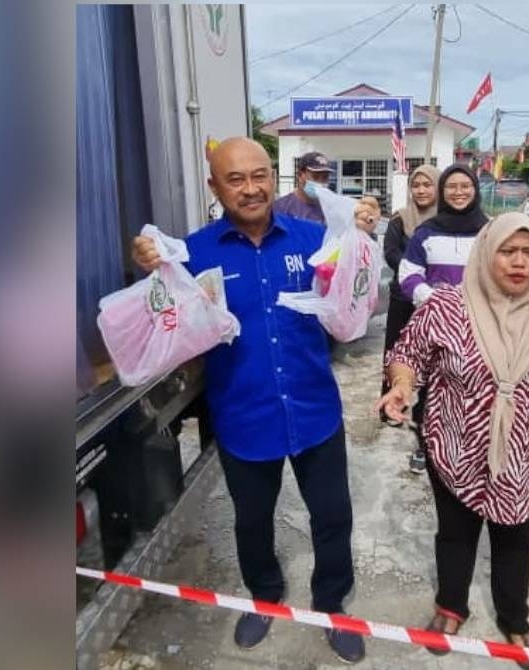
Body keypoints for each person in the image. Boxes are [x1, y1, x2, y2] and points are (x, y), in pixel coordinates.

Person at [130, 138, 376, 663]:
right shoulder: (192, 253)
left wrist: (362, 238)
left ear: (275, 178)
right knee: (252, 520)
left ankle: (332, 605)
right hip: (244, 414)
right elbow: (162, 313)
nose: (250, 187)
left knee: (332, 515)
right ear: (214, 186)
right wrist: (148, 265)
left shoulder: (316, 239)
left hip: (314, 409)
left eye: (259, 175)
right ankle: (265, 598)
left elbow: (355, 298)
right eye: (235, 179)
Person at [378, 212, 529, 669]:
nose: (519, 262)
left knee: (515, 538)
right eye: (507, 251)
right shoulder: (446, 306)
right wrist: (402, 386)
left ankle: (513, 617)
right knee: (456, 534)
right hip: (454, 445)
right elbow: (408, 352)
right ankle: (451, 605)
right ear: (487, 253)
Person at [396, 164, 489, 473]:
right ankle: (426, 446)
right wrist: (437, 302)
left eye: (465, 186)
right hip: (436, 328)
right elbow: (408, 274)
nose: (459, 192)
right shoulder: (426, 232)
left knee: (477, 387)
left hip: (482, 326)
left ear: (475, 190)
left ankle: (475, 449)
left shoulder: (490, 232)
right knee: (434, 387)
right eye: (452, 187)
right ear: (442, 192)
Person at [381, 165, 440, 426]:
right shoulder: (399, 219)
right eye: (416, 185)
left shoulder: (445, 222)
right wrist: (414, 273)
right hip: (403, 298)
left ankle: (428, 411)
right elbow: (391, 252)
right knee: (396, 351)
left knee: (433, 357)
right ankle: (390, 405)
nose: (421, 190)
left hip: (436, 301)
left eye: (427, 184)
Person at [273, 151, 334, 224]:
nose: (320, 183)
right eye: (315, 177)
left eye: (325, 178)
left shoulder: (329, 210)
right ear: (299, 175)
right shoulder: (281, 208)